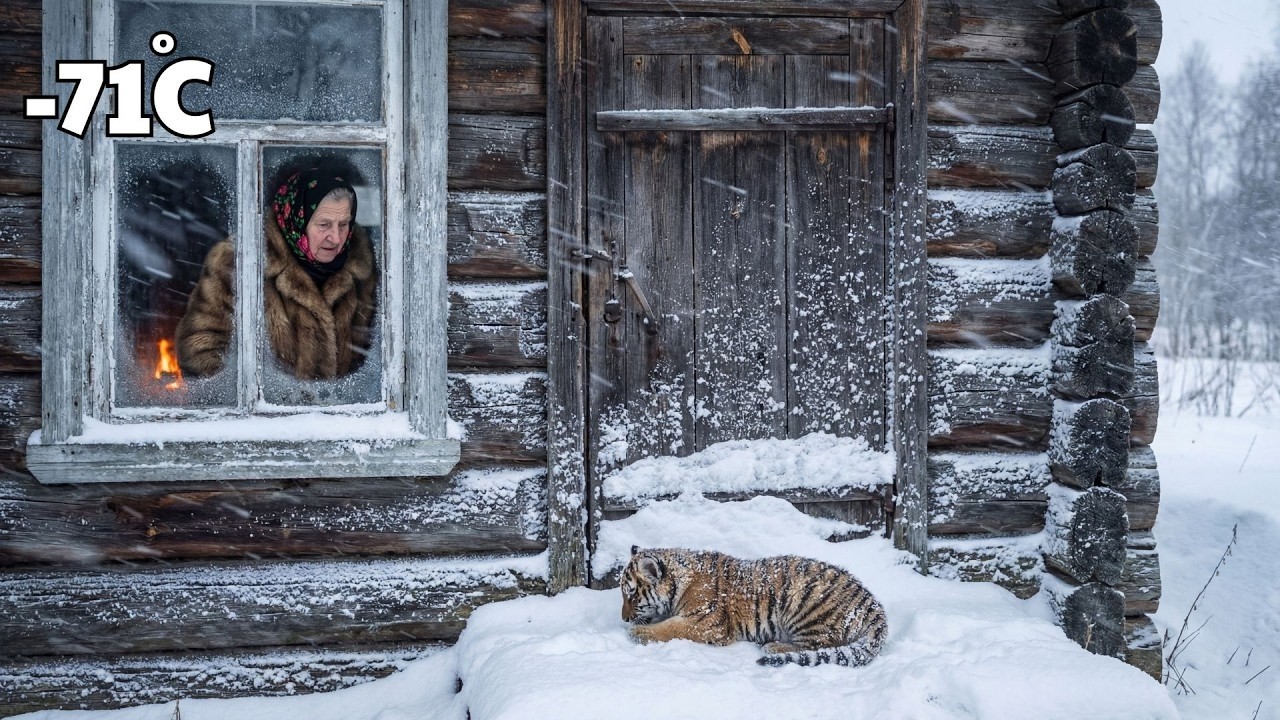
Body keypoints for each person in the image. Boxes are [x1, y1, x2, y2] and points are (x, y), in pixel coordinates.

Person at [176, 167, 377, 381]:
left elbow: (376, 351)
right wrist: (272, 397)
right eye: (324, 224)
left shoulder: (361, 267)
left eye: (343, 224)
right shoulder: (239, 262)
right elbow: (200, 349)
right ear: (297, 219)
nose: (336, 238)